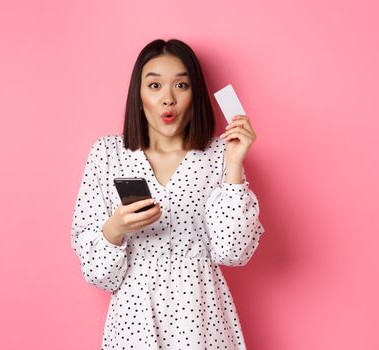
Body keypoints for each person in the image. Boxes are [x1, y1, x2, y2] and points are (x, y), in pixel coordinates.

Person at [71, 38, 265, 350]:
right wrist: (115, 228)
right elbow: (98, 275)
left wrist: (234, 167)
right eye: (155, 86)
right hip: (134, 324)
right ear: (139, 94)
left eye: (181, 86)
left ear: (195, 94)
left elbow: (233, 253)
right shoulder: (107, 154)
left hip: (202, 320)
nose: (168, 100)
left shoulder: (219, 154)